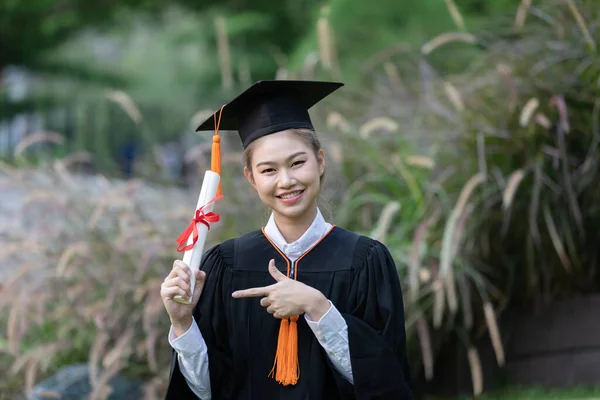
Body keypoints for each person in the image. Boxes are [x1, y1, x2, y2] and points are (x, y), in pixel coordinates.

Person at [161, 80, 414, 399]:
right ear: (251, 177)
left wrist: (318, 307)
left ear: (320, 161)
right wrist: (183, 323)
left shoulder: (365, 261)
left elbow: (388, 383)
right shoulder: (225, 266)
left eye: (297, 163)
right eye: (268, 170)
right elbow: (207, 391)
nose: (287, 181)